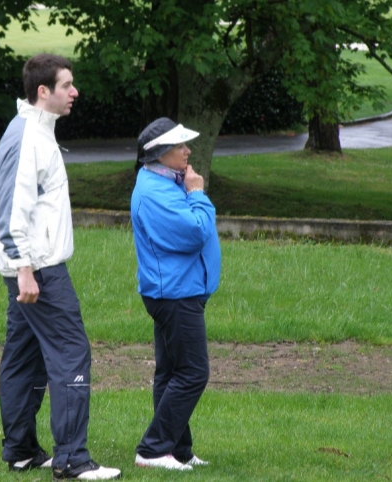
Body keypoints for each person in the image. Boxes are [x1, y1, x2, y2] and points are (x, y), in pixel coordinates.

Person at [0, 53, 121, 481]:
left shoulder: (30, 130)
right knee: (71, 353)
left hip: (30, 268)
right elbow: (11, 207)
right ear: (43, 91)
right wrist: (23, 268)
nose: (75, 92)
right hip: (39, 271)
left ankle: (22, 451)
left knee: (25, 358)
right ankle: (72, 460)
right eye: (67, 85)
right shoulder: (29, 136)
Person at [130, 117, 222, 471]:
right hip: (175, 295)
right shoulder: (155, 194)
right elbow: (195, 232)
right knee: (193, 373)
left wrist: (189, 188)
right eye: (180, 146)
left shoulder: (166, 182)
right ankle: (153, 449)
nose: (188, 151)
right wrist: (198, 194)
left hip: (176, 291)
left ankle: (177, 450)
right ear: (160, 154)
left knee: (170, 374)